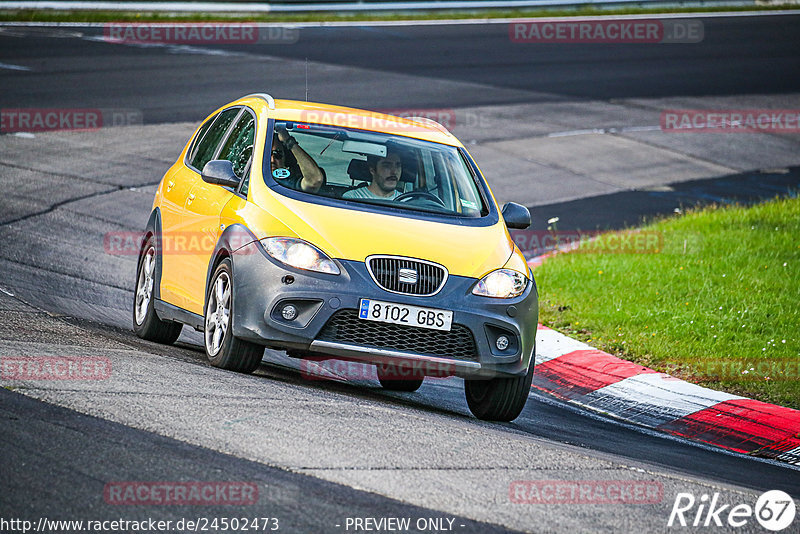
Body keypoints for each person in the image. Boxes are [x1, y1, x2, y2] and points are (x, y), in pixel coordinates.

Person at [270, 126, 324, 193]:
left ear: (285, 158)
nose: (272, 160)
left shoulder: (287, 184)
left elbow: (314, 180)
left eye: (277, 154)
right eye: (268, 154)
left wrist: (289, 141)